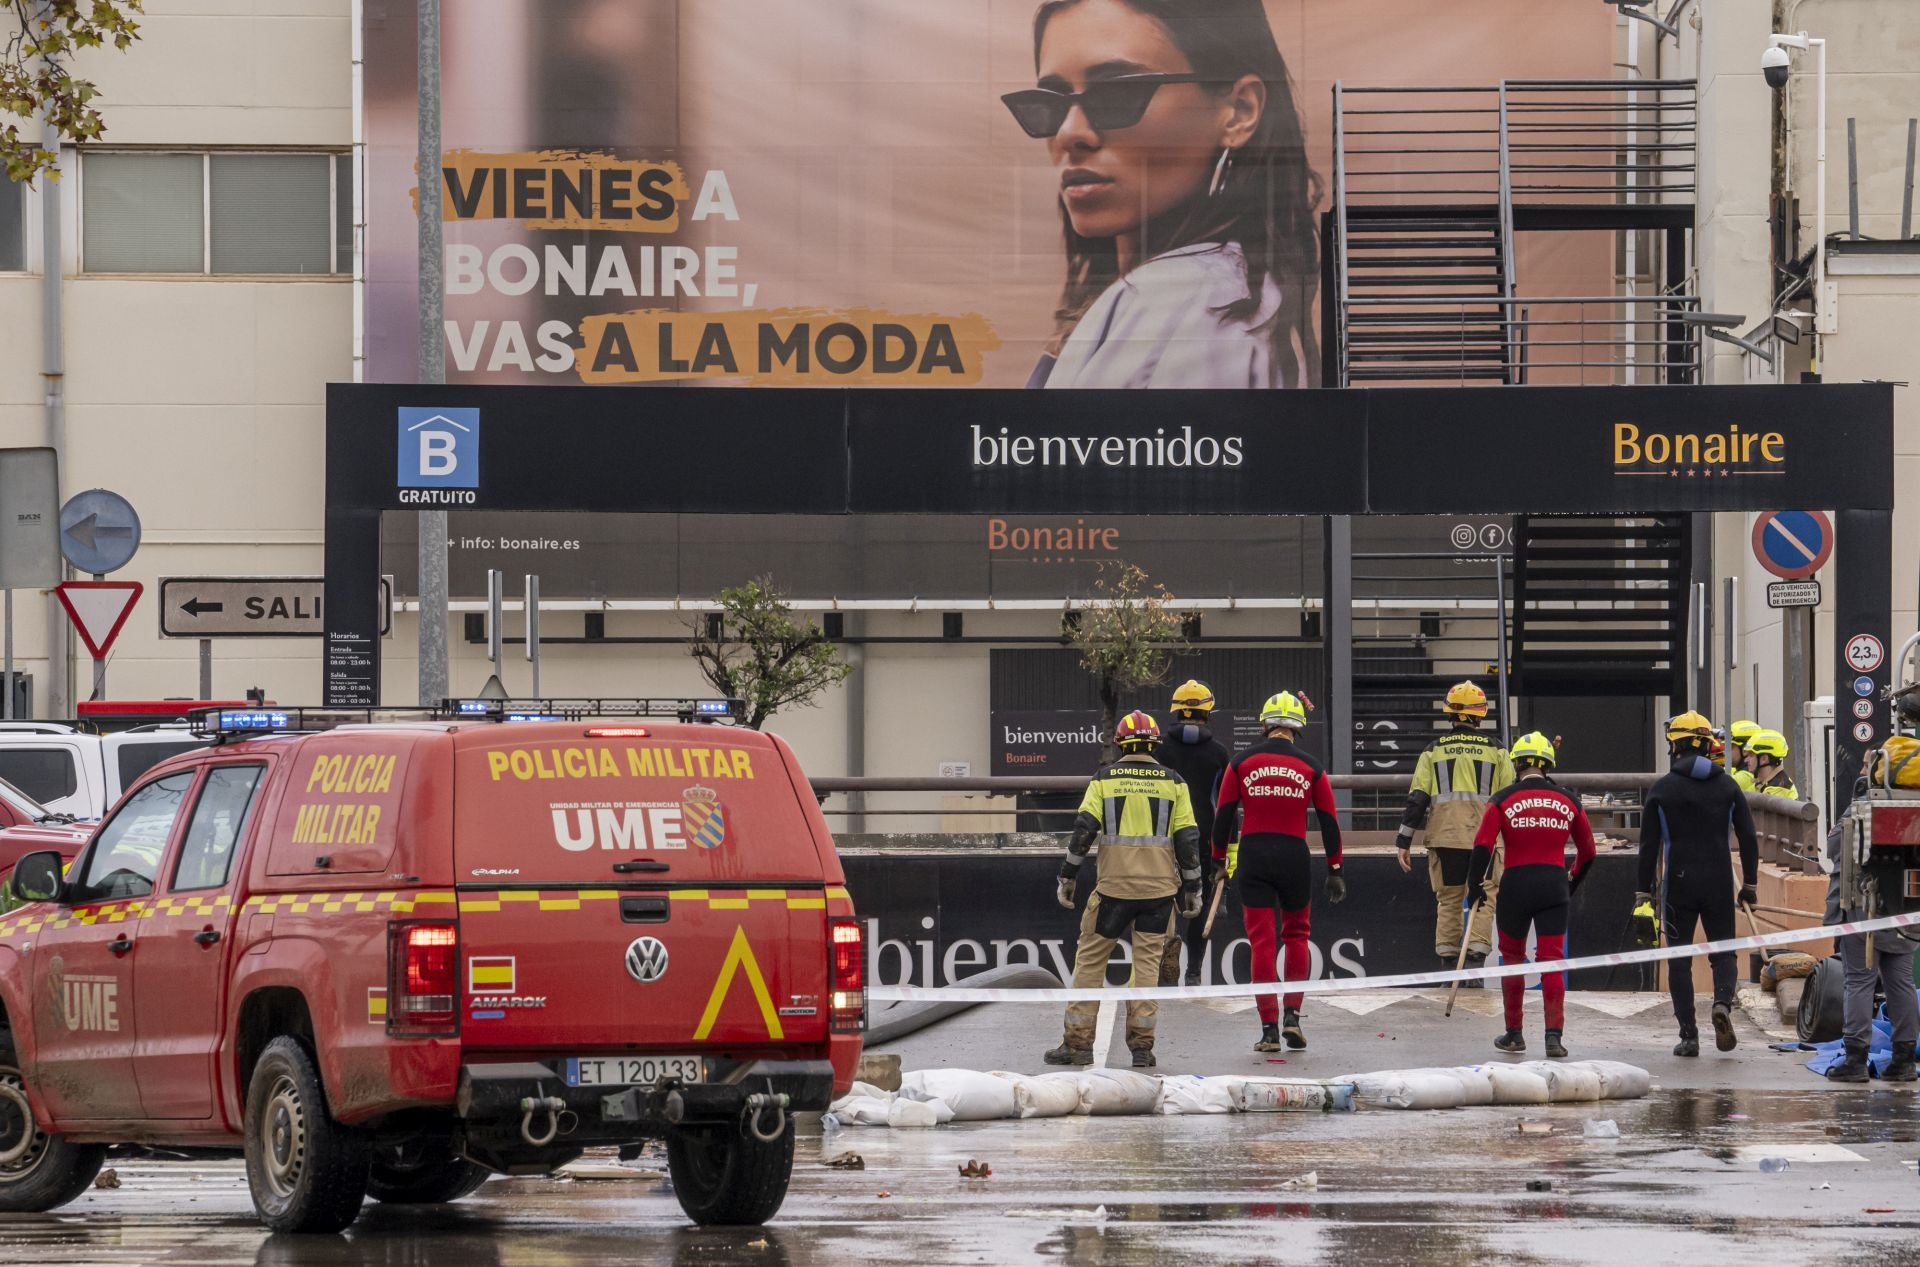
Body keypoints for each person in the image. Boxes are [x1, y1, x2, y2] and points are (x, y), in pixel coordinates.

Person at [1007, 0, 1319, 389]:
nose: (1069, 133)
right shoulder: (1225, 291)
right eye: (1050, 103)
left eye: (1117, 94)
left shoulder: (1188, 298)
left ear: (1239, 110)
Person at [1047, 709, 1203, 1069]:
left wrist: (1067, 876)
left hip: (1113, 890)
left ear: (1120, 744)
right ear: (1154, 744)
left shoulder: (1104, 779)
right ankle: (1142, 1048)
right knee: (1147, 968)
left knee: (1089, 963)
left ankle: (1077, 1044)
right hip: (1160, 893)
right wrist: (1193, 887)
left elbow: (1083, 831)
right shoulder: (1174, 782)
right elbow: (1187, 839)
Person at [1213, 690, 1344, 1051]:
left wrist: (1217, 860)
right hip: (1294, 856)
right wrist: (1335, 867)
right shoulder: (1312, 767)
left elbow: (1223, 815)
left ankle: (1269, 1031)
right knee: (1297, 935)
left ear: (1265, 724)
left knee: (1262, 941)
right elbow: (1330, 821)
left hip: (1254, 855)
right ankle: (1292, 1018)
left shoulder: (1241, 762)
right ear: (1298, 727)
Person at [1638, 711, 1760, 1057]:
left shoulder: (1662, 789)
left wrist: (1641, 893)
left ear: (1674, 745)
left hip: (1679, 882)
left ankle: (1689, 1035)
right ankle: (1721, 1003)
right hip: (1719, 880)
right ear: (1709, 745)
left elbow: (1648, 847)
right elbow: (1749, 837)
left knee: (1679, 959)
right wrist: (1749, 883)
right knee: (1723, 952)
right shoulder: (1728, 785)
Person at [1468, 733, 1596, 1058]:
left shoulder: (1502, 798)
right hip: (1554, 884)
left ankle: (1514, 1034)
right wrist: (1571, 883)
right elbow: (1589, 851)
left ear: (1517, 763)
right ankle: (1554, 1038)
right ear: (1549, 764)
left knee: (1512, 960)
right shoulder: (1569, 800)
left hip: (1515, 886)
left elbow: (1482, 845)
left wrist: (1475, 886)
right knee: (1552, 962)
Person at [1395, 681, 1515, 978]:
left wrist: (1403, 840)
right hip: (1485, 841)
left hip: (1445, 837)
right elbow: (1508, 801)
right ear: (1481, 714)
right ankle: (1473, 967)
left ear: (1449, 712)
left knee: (1448, 899)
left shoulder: (1433, 751)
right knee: (1484, 897)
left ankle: (1448, 967)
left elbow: (1418, 798)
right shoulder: (1498, 752)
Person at [1822, 764, 1919, 1082]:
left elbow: (1836, 848)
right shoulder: (1913, 805)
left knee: (1859, 982)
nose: (1861, 770)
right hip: (1906, 909)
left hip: (1863, 907)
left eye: (1866, 766)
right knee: (1901, 983)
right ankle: (1904, 1060)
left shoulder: (1863, 804)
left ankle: (1855, 1059)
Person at [1154, 678, 1231, 986]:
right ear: (1208, 712)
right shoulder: (1220, 753)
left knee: (1162, 902)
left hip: (1163, 840)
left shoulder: (1158, 751)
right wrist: (1227, 852)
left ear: (1176, 712)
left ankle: (1164, 963)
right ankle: (1194, 971)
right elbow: (1226, 806)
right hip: (1206, 839)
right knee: (1197, 907)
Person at [1746, 729, 1800, 799]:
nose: (1746, 760)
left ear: (1764, 759)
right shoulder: (1762, 782)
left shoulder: (1779, 789)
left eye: (1751, 755)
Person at [1727, 719, 1761, 792]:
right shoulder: (1738, 770)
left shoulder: (1745, 777)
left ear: (1744, 749)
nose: (1725, 752)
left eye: (1730, 747)